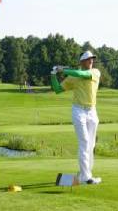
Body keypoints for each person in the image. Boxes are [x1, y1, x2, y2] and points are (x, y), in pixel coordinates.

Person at [50, 50, 101, 184]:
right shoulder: (72, 77)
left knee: (91, 144)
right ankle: (85, 177)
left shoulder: (95, 72)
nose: (91, 61)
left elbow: (81, 74)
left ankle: (87, 174)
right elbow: (57, 89)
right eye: (88, 59)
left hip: (92, 111)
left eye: (92, 59)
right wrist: (53, 74)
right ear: (82, 62)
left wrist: (64, 70)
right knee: (84, 142)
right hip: (79, 111)